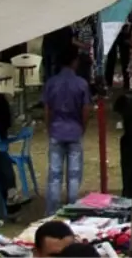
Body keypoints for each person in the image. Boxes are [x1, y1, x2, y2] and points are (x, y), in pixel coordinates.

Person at [42, 45, 90, 214]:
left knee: (54, 174)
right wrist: (82, 127)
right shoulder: (81, 84)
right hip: (74, 130)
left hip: (56, 130)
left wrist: (49, 127)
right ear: (75, 61)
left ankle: (52, 211)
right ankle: (73, 209)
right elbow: (85, 110)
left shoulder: (51, 83)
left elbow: (47, 110)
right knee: (74, 174)